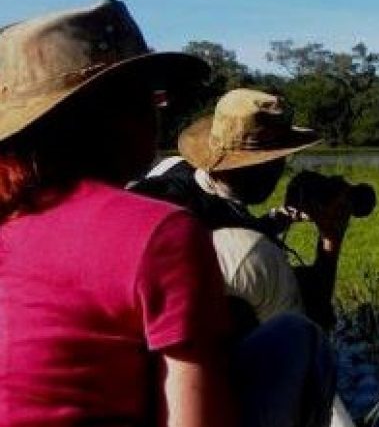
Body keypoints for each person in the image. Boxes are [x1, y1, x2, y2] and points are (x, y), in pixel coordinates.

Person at [0, 0, 336, 427]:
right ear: (111, 113)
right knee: (301, 345)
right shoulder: (153, 228)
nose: (159, 114)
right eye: (149, 98)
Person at [134, 88, 352, 330]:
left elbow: (216, 207)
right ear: (263, 166)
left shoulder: (169, 170)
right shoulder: (248, 243)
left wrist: (274, 220)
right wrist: (331, 238)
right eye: (279, 160)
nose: (281, 169)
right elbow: (312, 320)